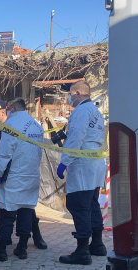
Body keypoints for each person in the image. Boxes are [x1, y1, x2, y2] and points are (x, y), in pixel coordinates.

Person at [0, 99, 47, 250]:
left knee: (10, 212)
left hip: (12, 176)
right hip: (28, 175)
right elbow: (38, 152)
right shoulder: (36, 125)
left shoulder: (12, 125)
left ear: (10, 109)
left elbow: (4, 154)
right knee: (24, 210)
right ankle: (21, 247)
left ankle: (2, 248)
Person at [56, 81, 107, 265]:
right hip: (95, 162)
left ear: (77, 93)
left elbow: (76, 137)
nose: (68, 98)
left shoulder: (80, 111)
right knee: (92, 204)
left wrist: (64, 162)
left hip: (83, 164)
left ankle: (82, 251)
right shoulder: (95, 111)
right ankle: (98, 245)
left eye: (70, 93)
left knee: (79, 205)